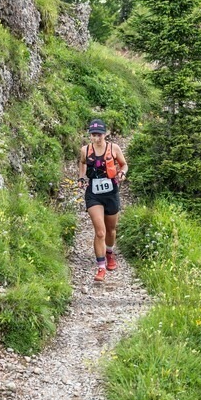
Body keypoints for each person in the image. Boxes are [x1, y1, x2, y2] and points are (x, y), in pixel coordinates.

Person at [78, 119, 128, 283]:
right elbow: (82, 163)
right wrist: (81, 177)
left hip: (111, 193)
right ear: (90, 135)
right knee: (100, 232)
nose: (96, 138)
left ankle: (109, 253)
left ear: (105, 134)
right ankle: (101, 267)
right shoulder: (85, 150)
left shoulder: (114, 148)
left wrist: (122, 173)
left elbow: (124, 165)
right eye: (93, 134)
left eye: (99, 134)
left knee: (111, 230)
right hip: (93, 194)